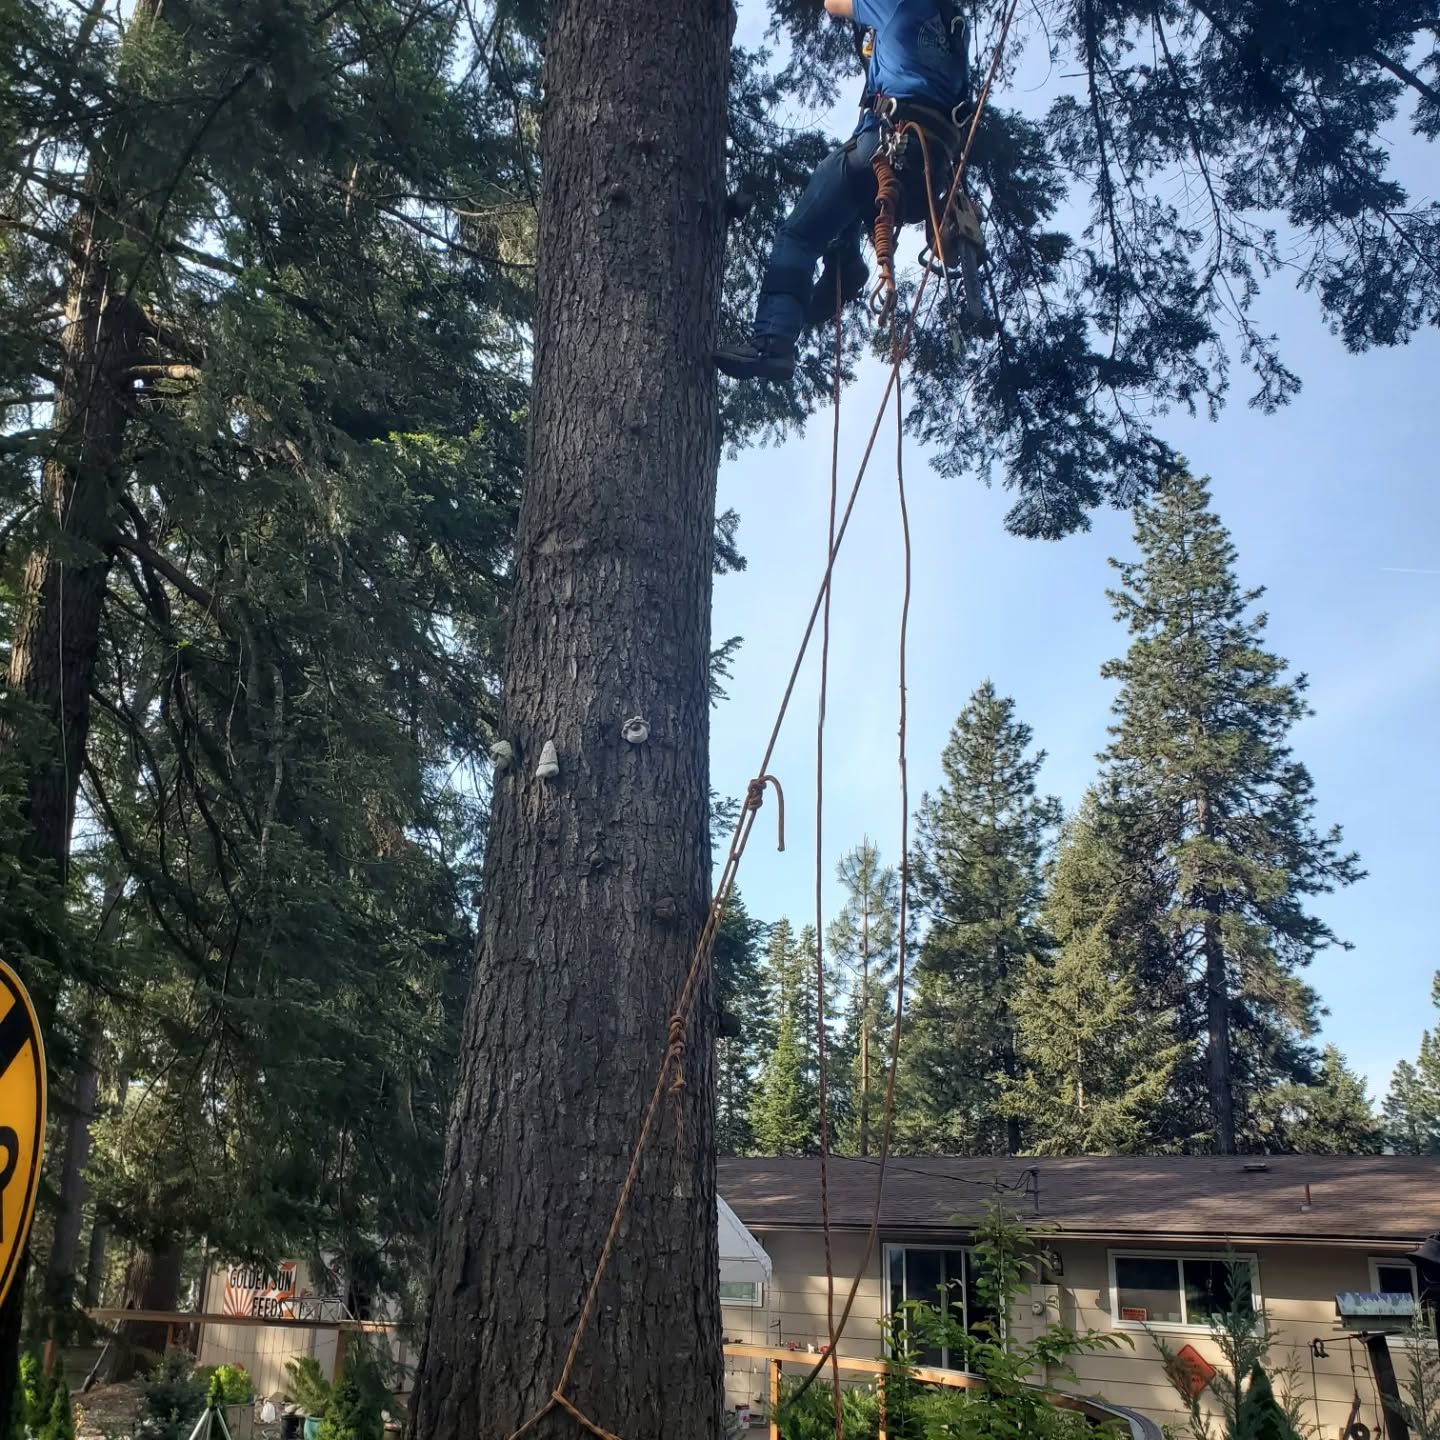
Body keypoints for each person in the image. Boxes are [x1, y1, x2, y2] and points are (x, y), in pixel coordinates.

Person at [714, 0, 972, 383]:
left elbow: (833, 3)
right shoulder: (955, 29)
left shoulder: (898, 3)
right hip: (927, 173)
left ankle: (773, 341)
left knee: (800, 235)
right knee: (847, 194)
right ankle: (846, 259)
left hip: (886, 145)